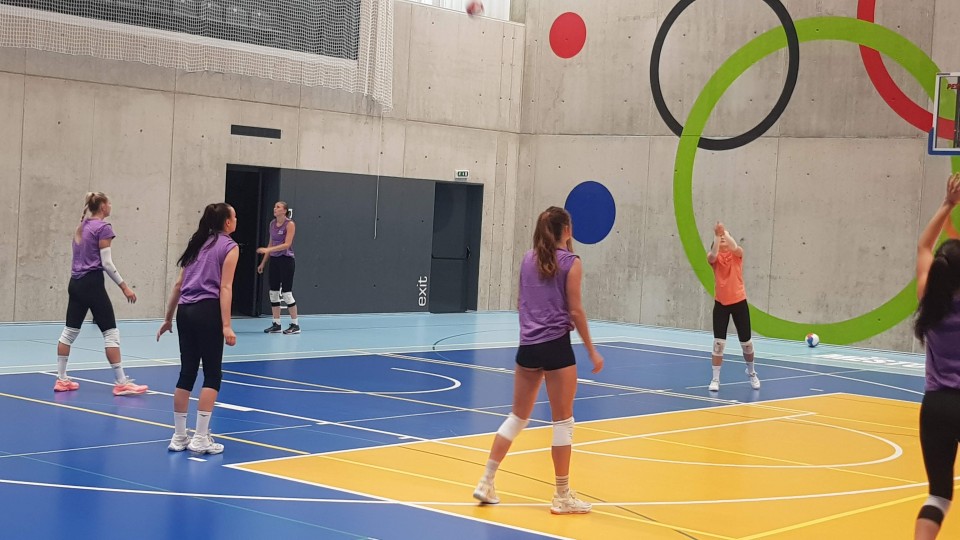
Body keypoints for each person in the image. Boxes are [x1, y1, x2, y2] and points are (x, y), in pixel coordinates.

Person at [472, 206, 603, 514]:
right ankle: (562, 496)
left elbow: (522, 302)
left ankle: (486, 481)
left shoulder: (527, 259)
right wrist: (591, 350)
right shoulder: (571, 262)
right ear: (567, 230)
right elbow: (575, 311)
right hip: (556, 346)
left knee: (517, 417)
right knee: (563, 422)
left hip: (528, 346)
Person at [157, 203, 239, 455]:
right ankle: (201, 438)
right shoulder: (229, 247)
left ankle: (179, 436)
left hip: (185, 312)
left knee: (187, 373)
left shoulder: (197, 243)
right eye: (234, 217)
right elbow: (225, 287)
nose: (236, 220)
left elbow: (178, 285)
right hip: (207, 312)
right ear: (227, 222)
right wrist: (227, 325)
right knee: (212, 374)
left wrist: (168, 318)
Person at [55, 192, 147, 396]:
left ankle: (61, 380)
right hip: (92, 284)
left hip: (75, 283)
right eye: (109, 202)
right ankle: (121, 383)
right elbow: (106, 263)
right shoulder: (103, 228)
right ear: (103, 206)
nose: (111, 205)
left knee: (69, 332)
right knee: (110, 333)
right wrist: (124, 287)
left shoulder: (82, 226)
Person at [913, 173, 960, 540]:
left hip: (937, 406)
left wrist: (948, 205)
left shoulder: (930, 301)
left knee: (938, 495)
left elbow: (924, 247)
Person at [706, 222, 760, 392]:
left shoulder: (737, 255)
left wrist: (725, 233)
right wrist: (717, 235)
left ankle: (751, 372)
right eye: (720, 237)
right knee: (718, 344)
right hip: (721, 304)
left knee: (747, 344)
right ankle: (715, 379)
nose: (723, 238)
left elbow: (735, 246)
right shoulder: (714, 258)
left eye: (726, 236)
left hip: (739, 302)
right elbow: (713, 255)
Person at [258, 201, 299, 335]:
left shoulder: (290, 224)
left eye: (278, 207)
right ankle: (276, 324)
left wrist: (268, 250)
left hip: (286, 260)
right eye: (274, 206)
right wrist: (263, 262)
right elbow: (270, 243)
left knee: (286, 294)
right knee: (273, 293)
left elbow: (287, 244)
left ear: (284, 211)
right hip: (274, 260)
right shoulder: (272, 224)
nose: (275, 209)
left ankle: (295, 325)